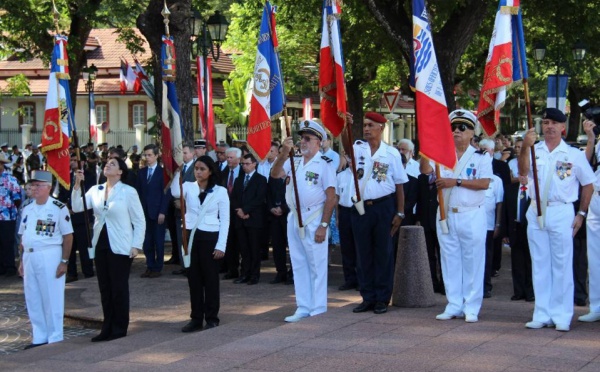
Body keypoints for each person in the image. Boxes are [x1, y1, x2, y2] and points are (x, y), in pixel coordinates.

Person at [518, 108, 595, 332]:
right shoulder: (534, 150)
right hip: (537, 210)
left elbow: (588, 184)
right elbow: (523, 173)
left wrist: (581, 214)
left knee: (561, 264)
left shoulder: (573, 154)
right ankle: (542, 313)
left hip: (561, 211)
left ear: (563, 127)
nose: (549, 126)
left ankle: (562, 315)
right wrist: (524, 146)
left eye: (554, 123)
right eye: (545, 122)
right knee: (540, 264)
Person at [420, 109, 492, 323]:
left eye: (463, 128)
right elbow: (425, 171)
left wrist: (457, 182)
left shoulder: (481, 156)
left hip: (471, 214)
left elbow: (485, 183)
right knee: (449, 260)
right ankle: (453, 304)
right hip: (446, 213)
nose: (456, 131)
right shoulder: (441, 155)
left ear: (472, 133)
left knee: (472, 262)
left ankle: (471, 306)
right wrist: (427, 149)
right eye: (453, 127)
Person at [72, 158, 145, 342]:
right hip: (100, 243)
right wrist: (76, 184)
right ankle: (107, 326)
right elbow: (77, 206)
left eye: (113, 164)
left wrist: (136, 245)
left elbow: (139, 220)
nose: (107, 165)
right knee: (104, 287)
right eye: (107, 163)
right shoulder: (95, 190)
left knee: (118, 287)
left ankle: (120, 327)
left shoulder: (128, 191)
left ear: (120, 171)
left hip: (121, 245)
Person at [271, 119, 336, 322]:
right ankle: (303, 306)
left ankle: (318, 307)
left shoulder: (324, 164)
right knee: (298, 263)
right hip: (294, 216)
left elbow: (331, 197)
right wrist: (282, 154)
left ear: (319, 141)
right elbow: (274, 174)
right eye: (302, 138)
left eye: (308, 139)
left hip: (314, 216)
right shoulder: (294, 161)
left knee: (316, 264)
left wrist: (323, 225)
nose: (303, 142)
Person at [351, 112, 407, 315]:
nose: (366, 129)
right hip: (361, 208)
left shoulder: (391, 154)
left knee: (383, 253)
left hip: (383, 207)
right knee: (363, 254)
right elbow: (345, 141)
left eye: (370, 125)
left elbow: (400, 185)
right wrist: (345, 125)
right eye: (364, 125)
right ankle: (368, 297)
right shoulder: (358, 149)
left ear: (381, 128)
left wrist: (400, 213)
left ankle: (383, 298)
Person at [171, 156, 229, 332]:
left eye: (202, 169)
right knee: (193, 279)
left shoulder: (220, 191)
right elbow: (174, 191)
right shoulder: (188, 187)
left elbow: (225, 220)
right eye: (196, 168)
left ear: (210, 171)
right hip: (190, 236)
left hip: (210, 236)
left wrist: (221, 245)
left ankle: (211, 316)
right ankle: (196, 317)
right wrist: (177, 171)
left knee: (210, 279)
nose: (198, 172)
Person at [18, 170, 73, 349]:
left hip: (49, 254)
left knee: (52, 296)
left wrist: (64, 261)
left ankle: (55, 336)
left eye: (38, 185)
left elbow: (68, 236)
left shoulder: (58, 207)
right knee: (33, 297)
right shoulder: (27, 207)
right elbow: (22, 236)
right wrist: (21, 260)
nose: (34, 188)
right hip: (29, 255)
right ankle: (39, 336)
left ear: (48, 187)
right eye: (32, 185)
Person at [231, 153, 267, 285]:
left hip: (254, 219)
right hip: (240, 219)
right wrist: (239, 210)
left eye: (246, 164)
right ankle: (244, 273)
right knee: (243, 249)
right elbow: (233, 197)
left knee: (254, 248)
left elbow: (259, 199)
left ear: (254, 164)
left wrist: (246, 210)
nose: (244, 166)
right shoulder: (238, 180)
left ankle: (254, 275)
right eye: (242, 164)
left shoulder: (261, 179)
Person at [136, 144, 170, 278]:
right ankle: (150, 265)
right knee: (147, 241)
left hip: (158, 213)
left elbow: (165, 194)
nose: (147, 157)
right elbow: (138, 193)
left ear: (157, 156)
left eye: (150, 155)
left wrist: (163, 211)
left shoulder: (163, 173)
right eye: (146, 155)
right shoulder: (141, 172)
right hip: (144, 212)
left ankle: (158, 267)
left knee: (158, 241)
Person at [478, 139, 504, 298]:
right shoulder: (473, 175)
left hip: (488, 224)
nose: (483, 153)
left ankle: (485, 286)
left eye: (486, 150)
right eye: (481, 149)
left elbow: (499, 203)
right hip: (473, 221)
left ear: (493, 152)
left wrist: (498, 224)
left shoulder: (497, 180)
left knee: (487, 257)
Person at [168, 144, 196, 274]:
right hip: (179, 211)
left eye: (185, 153)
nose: (183, 155)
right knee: (180, 238)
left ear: (192, 153)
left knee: (191, 239)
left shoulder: (197, 168)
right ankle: (184, 265)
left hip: (191, 210)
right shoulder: (178, 168)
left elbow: (199, 189)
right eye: (181, 153)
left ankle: (192, 265)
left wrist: (184, 202)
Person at [267, 145, 292, 284]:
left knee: (292, 245)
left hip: (287, 215)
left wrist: (283, 208)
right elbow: (268, 192)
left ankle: (292, 273)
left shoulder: (293, 174)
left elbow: (295, 196)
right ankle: (280, 272)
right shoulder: (274, 173)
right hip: (274, 216)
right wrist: (271, 207)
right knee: (277, 246)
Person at [336, 154, 358, 291]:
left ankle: (362, 279)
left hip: (359, 211)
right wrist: (338, 218)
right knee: (346, 247)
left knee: (360, 247)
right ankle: (349, 279)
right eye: (349, 159)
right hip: (344, 211)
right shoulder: (340, 176)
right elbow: (337, 198)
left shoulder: (363, 174)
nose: (351, 162)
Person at [1, 153, 21, 277]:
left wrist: (11, 210)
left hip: (7, 216)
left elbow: (17, 198)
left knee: (7, 242)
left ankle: (9, 266)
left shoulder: (10, 179)